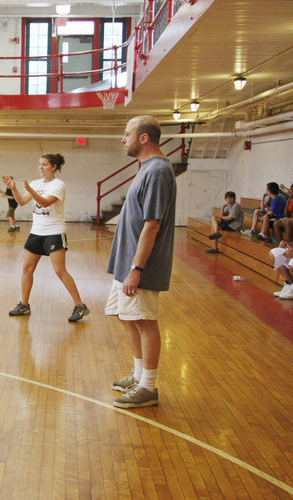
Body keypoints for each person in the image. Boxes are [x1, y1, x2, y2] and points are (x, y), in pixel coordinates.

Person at [106, 116, 176, 409]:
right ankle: (138, 374)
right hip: (127, 264)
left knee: (145, 321)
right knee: (126, 316)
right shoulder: (147, 168)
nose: (124, 139)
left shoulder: (158, 171)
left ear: (144, 138)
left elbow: (152, 225)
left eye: (127, 134)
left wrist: (136, 269)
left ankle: (148, 386)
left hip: (140, 267)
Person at [3, 153, 89, 323]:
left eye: (45, 164)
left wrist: (30, 190)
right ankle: (24, 304)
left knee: (59, 270)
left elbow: (45, 202)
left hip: (54, 231)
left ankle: (80, 305)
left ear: (54, 167)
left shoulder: (59, 185)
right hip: (37, 232)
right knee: (27, 269)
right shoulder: (35, 183)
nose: (41, 167)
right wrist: (14, 188)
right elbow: (21, 202)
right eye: (39, 164)